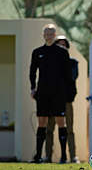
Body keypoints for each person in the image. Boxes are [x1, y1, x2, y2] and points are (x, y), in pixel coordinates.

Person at [29, 24, 71, 163]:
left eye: (51, 34)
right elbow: (32, 71)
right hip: (42, 93)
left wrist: (67, 93)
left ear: (55, 35)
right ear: (43, 35)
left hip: (58, 93)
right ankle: (38, 156)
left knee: (61, 122)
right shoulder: (37, 52)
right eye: (46, 34)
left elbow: (68, 75)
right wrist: (33, 88)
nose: (48, 36)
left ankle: (64, 156)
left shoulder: (62, 52)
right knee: (42, 122)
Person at [45, 35, 79, 163]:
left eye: (64, 45)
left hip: (66, 101)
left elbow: (71, 78)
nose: (61, 47)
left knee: (69, 129)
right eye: (59, 45)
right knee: (49, 129)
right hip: (52, 101)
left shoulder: (73, 63)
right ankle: (47, 156)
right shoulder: (49, 63)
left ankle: (73, 156)